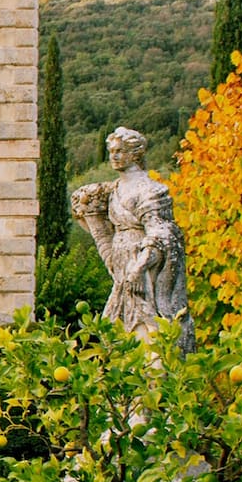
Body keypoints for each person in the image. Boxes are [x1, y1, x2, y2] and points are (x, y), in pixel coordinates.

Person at [71, 126, 194, 349]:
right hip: (120, 271)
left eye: (120, 151)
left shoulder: (150, 191)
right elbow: (101, 227)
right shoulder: (113, 190)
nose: (114, 157)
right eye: (111, 152)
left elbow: (161, 234)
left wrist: (139, 267)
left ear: (135, 154)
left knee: (147, 338)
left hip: (142, 272)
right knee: (115, 339)